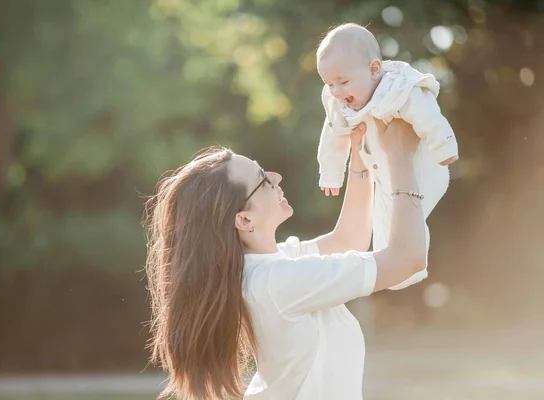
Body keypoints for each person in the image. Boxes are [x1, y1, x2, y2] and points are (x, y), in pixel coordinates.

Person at [144, 118, 427, 399]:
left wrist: (361, 159)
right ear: (244, 219)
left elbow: (347, 242)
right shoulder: (278, 281)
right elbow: (406, 260)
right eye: (263, 180)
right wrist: (400, 159)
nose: (276, 177)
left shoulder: (267, 268)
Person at [316, 23, 459, 290]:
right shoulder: (339, 101)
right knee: (384, 220)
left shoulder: (399, 88)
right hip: (384, 172)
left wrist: (444, 147)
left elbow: (428, 115)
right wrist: (331, 172)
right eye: (329, 84)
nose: (335, 91)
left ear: (373, 69)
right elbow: (333, 136)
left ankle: (409, 261)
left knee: (407, 216)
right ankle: (398, 269)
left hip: (422, 166)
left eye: (343, 82)